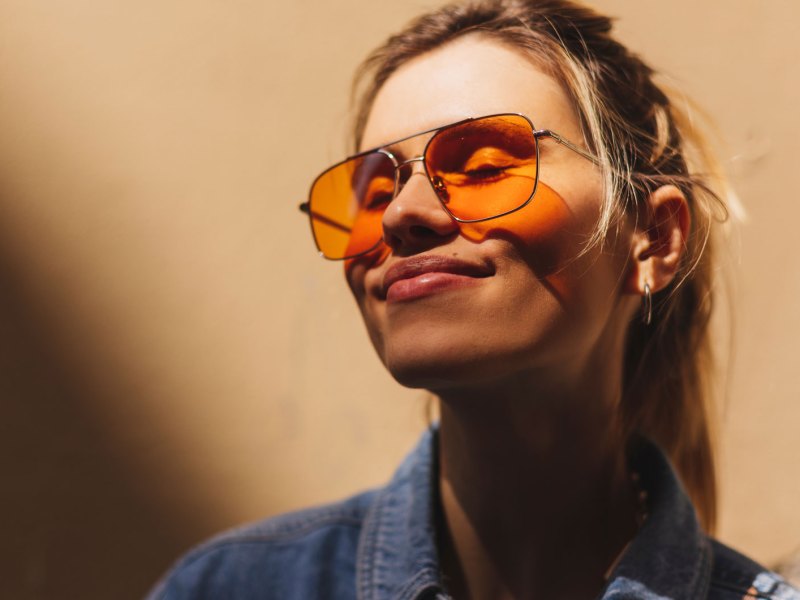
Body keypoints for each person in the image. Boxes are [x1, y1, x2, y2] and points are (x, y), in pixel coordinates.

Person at [147, 1, 800, 598]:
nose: (403, 212)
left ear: (653, 240)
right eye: (371, 193)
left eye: (485, 167)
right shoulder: (230, 588)